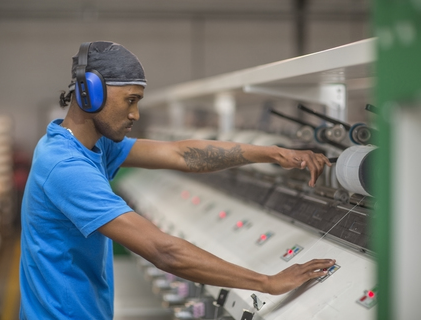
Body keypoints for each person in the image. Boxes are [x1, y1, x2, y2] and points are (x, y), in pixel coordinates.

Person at [19, 41, 335, 320]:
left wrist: (272, 153)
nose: (136, 114)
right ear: (90, 92)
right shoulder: (66, 166)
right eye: (131, 100)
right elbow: (163, 251)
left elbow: (181, 154)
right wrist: (267, 283)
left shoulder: (93, 146)